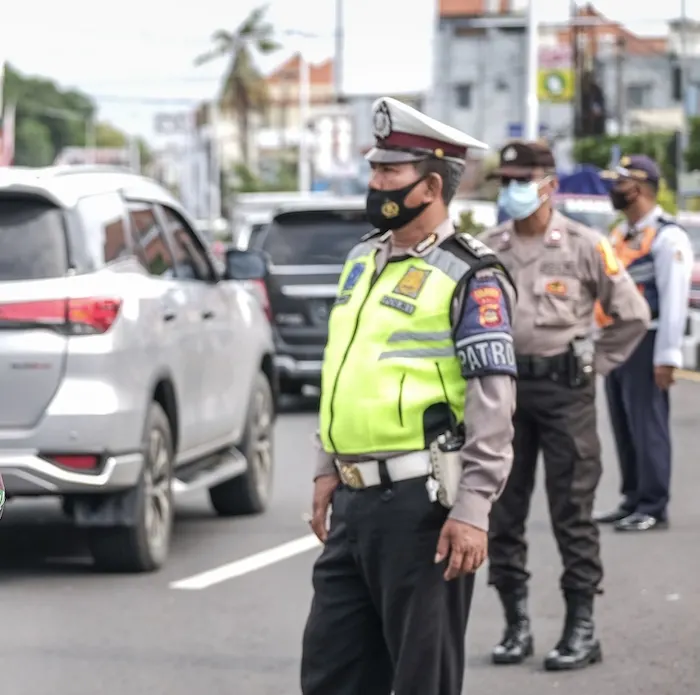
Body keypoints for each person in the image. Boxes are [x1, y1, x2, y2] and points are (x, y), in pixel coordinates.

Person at [300, 97, 518, 695]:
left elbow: (492, 402)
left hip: (422, 509)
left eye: (389, 173)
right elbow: (343, 372)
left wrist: (473, 510)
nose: (375, 183)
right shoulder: (361, 260)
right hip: (353, 500)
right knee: (330, 673)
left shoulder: (472, 274)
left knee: (422, 679)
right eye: (375, 169)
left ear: (430, 185)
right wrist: (326, 468)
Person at [483, 141, 650, 671]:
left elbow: (632, 315)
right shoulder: (487, 249)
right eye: (506, 180)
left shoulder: (583, 245)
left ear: (548, 185)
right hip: (503, 394)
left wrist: (592, 365)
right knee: (501, 511)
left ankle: (581, 627)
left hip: (564, 393)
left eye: (522, 179)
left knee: (571, 512)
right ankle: (516, 624)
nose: (512, 189)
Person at [594, 155, 694, 532]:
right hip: (618, 340)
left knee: (647, 423)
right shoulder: (621, 234)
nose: (612, 191)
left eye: (618, 184)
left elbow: (673, 300)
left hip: (648, 339)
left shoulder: (668, 236)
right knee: (623, 423)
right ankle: (632, 497)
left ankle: (654, 504)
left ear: (637, 188)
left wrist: (668, 356)